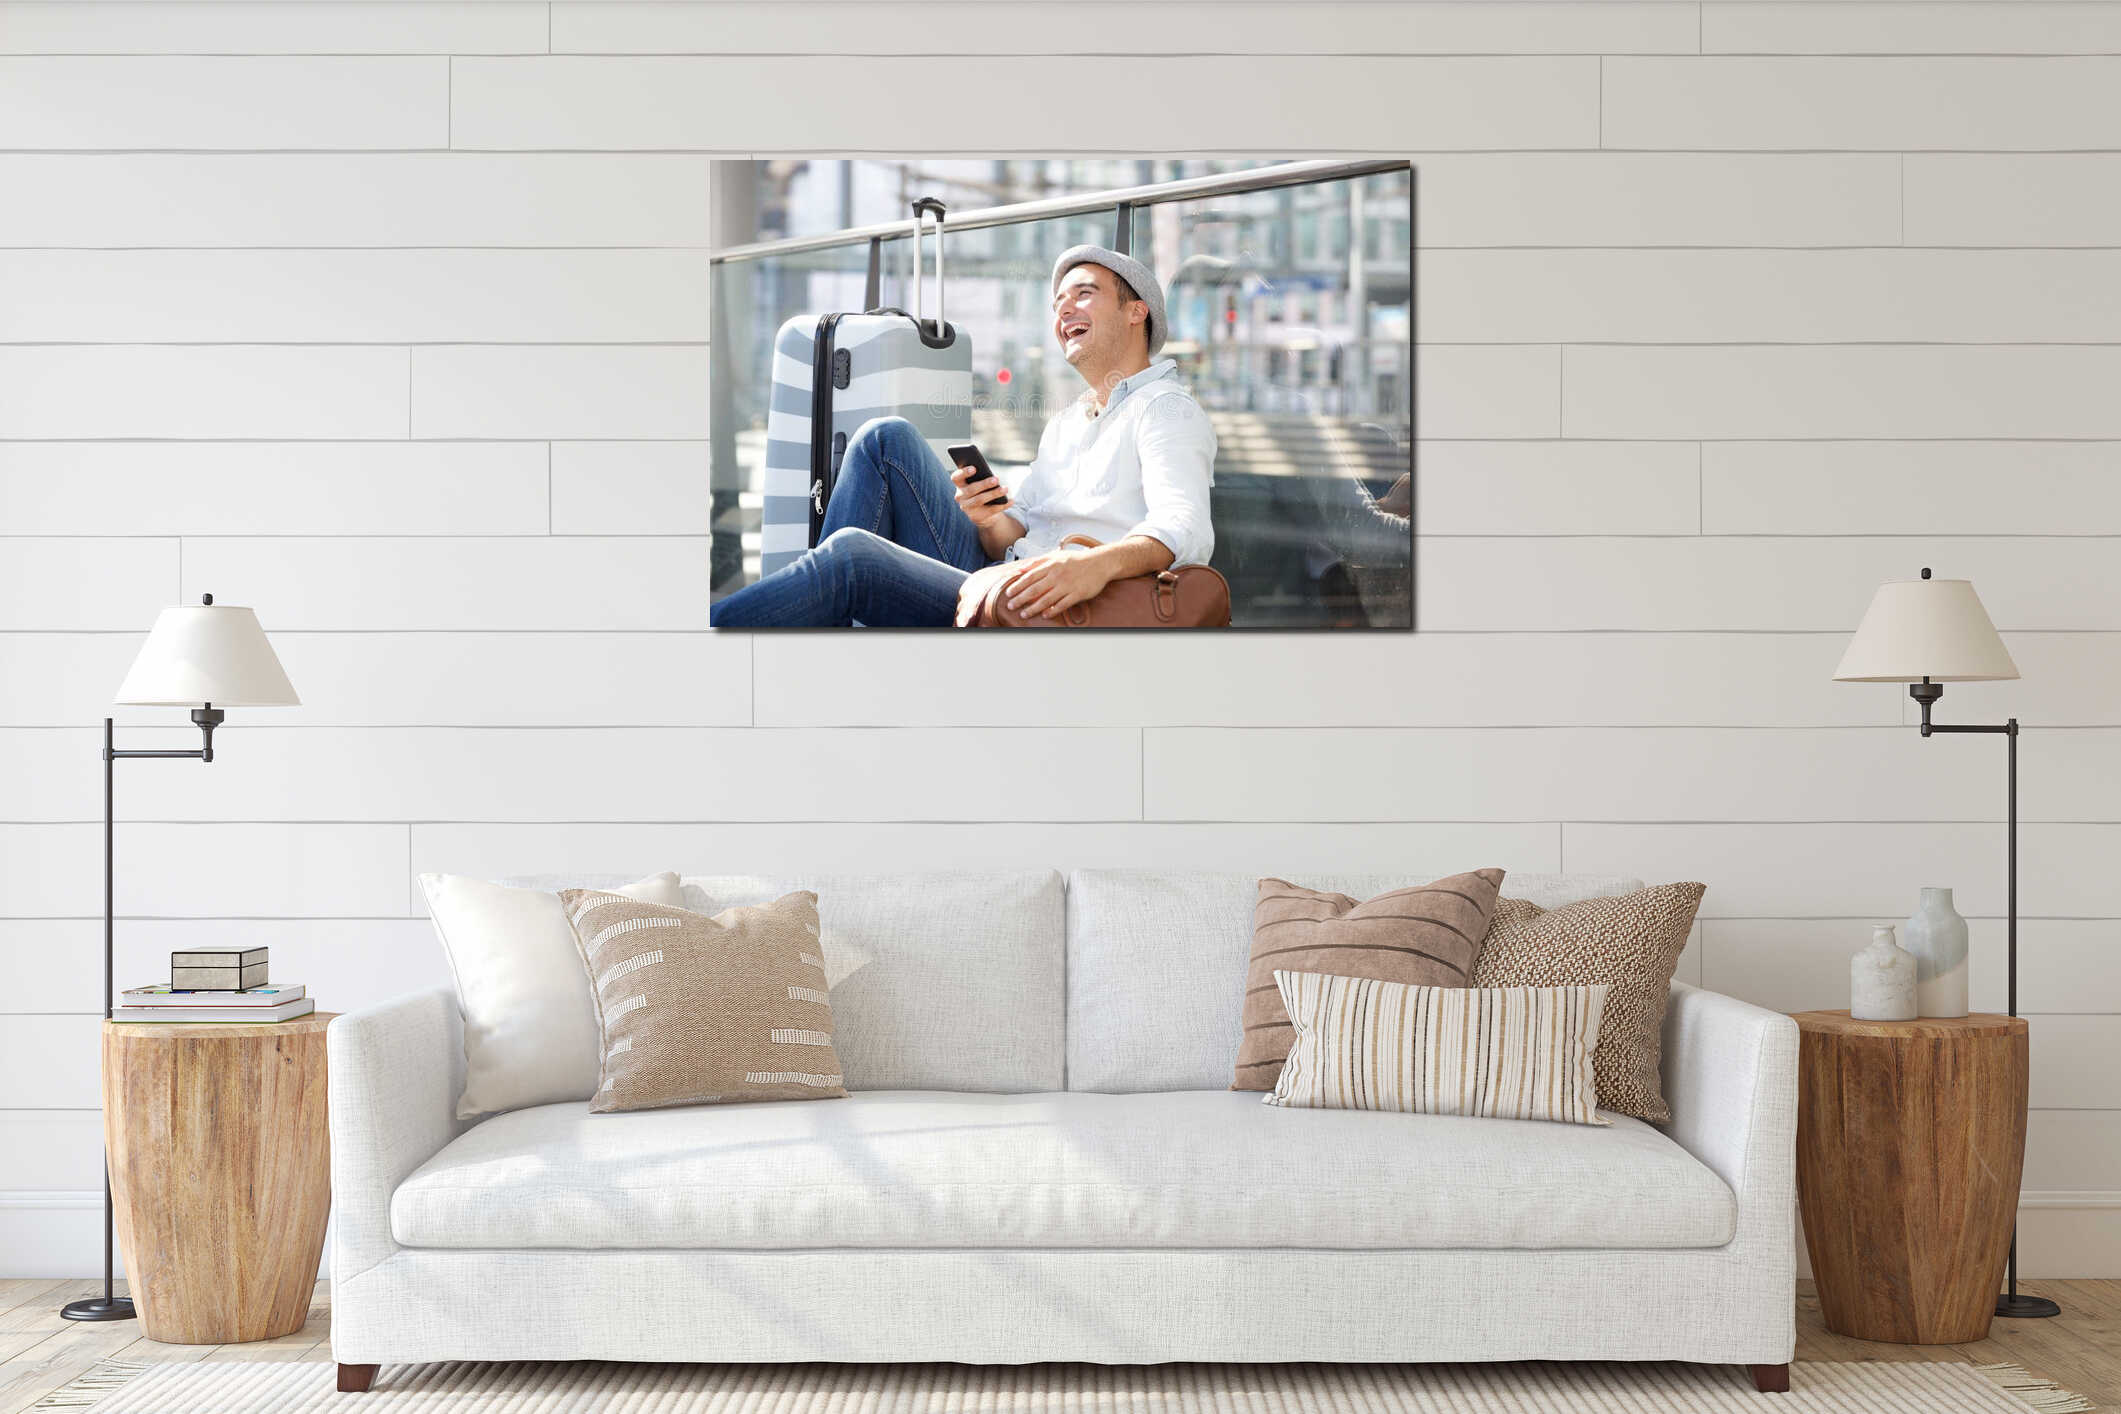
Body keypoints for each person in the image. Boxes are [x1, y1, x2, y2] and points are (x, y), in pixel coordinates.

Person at [711, 244, 1217, 628]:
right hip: (1000, 572)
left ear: (1137, 312)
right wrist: (987, 517)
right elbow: (1012, 533)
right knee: (884, 438)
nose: (1064, 310)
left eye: (1084, 294)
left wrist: (1091, 567)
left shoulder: (1165, 409)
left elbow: (1187, 528)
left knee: (852, 557)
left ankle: (698, 640)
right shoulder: (1069, 422)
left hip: (1045, 603)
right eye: (1058, 301)